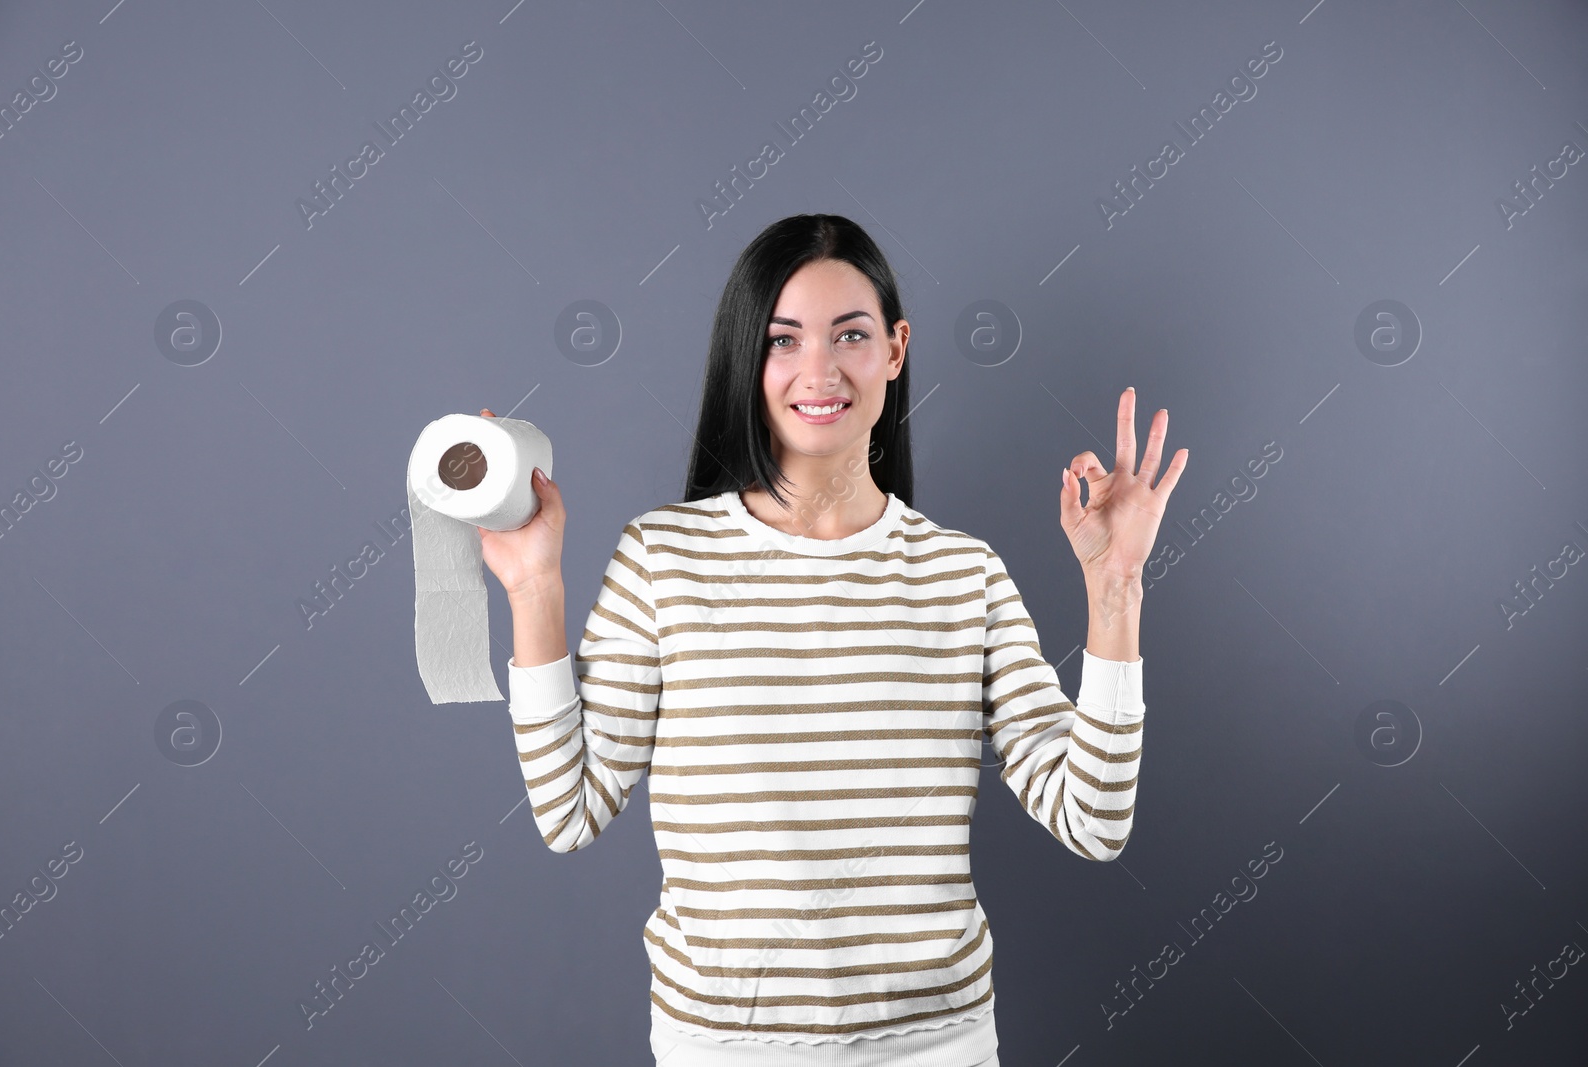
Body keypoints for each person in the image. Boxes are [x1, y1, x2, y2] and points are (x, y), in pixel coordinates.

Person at [477, 213, 1186, 1065]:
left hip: (936, 1047)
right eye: (784, 340)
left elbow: (1094, 819)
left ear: (895, 349)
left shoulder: (964, 575)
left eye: (851, 334)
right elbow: (568, 811)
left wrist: (1116, 589)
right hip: (724, 1048)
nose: (819, 369)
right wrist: (533, 586)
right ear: (749, 357)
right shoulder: (662, 558)